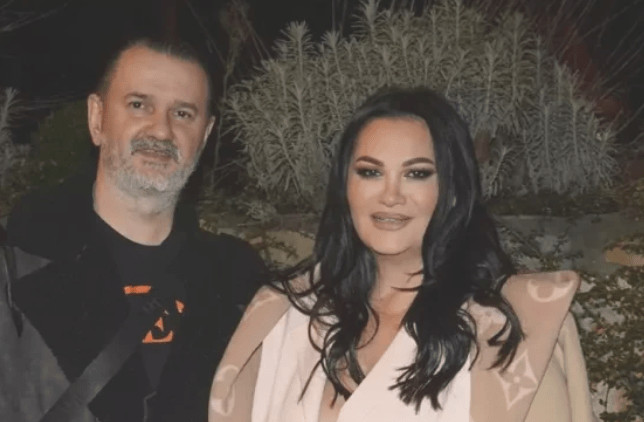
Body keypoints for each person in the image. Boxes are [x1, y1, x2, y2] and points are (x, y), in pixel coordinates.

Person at [208, 87, 597, 421]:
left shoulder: (510, 329)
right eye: (370, 172)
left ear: (453, 191)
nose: (390, 195)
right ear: (345, 188)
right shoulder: (287, 316)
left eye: (417, 173)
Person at [0, 38, 266, 422]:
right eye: (139, 105)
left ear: (205, 136)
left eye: (183, 114)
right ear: (97, 118)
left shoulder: (240, 283)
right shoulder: (15, 265)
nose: (161, 131)